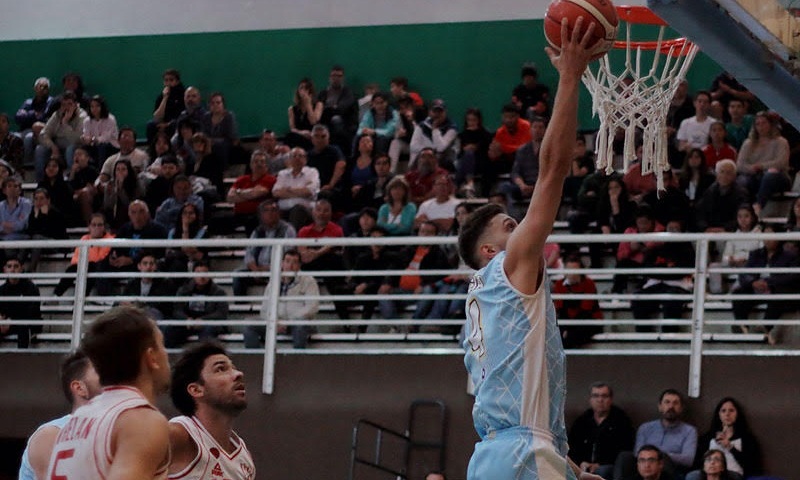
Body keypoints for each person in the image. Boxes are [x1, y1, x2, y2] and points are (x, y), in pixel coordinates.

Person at [457, 18, 604, 479]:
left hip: (499, 456)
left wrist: (569, 467)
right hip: (522, 454)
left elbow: (513, 399)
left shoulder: (481, 306)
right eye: (509, 226)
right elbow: (553, 170)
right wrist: (570, 75)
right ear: (488, 251)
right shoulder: (509, 265)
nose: (521, 230)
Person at [45, 306, 172, 479]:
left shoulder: (75, 421)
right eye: (162, 345)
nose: (166, 354)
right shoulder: (140, 419)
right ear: (152, 358)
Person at [168, 341, 255, 478]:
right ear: (196, 390)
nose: (238, 374)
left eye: (233, 368)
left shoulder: (244, 457)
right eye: (221, 369)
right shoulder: (179, 435)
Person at [18, 351, 102, 480]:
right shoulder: (52, 434)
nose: (113, 378)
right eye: (102, 372)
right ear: (79, 388)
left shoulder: (115, 429)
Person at [244, 249, 320, 349]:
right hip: (276, 322)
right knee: (249, 325)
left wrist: (289, 322)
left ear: (299, 266)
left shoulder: (308, 281)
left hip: (299, 323)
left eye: (295, 262)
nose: (290, 265)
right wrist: (274, 321)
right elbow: (265, 309)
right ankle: (255, 361)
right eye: (288, 261)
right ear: (282, 263)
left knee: (300, 326)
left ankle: (298, 361)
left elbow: (312, 307)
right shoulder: (273, 282)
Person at [567, 382, 635, 479]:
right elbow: (571, 447)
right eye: (596, 396)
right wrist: (581, 463)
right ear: (590, 399)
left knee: (602, 471)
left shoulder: (621, 421)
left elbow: (625, 449)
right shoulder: (582, 421)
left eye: (604, 396)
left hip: (609, 466)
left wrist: (599, 464)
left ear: (611, 399)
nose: (600, 400)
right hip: (582, 466)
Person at [232, 198, 297, 298]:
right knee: (238, 275)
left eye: (273, 210)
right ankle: (241, 307)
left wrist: (265, 269)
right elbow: (249, 255)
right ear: (261, 215)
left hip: (279, 271)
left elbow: (288, 257)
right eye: (266, 210)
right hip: (257, 270)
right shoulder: (257, 231)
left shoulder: (288, 230)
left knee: (285, 277)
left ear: (279, 213)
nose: (270, 213)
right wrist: (255, 270)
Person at [735, 111, 791, 217]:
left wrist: (761, 166)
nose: (761, 126)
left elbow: (781, 162)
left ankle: (759, 205)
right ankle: (744, 209)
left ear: (770, 124)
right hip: (754, 175)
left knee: (770, 175)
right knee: (742, 180)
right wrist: (751, 168)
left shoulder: (780, 141)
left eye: (764, 123)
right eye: (758, 124)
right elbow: (740, 165)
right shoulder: (748, 143)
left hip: (778, 177)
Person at [635, 389, 698, 477]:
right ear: (660, 406)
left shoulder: (689, 431)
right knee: (625, 458)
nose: (671, 406)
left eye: (675, 403)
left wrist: (662, 456)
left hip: (673, 472)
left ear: (681, 408)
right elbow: (637, 453)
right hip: (644, 469)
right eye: (667, 402)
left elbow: (688, 460)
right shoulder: (645, 428)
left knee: (663, 461)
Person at [693, 398, 761, 479]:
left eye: (731, 411)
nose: (727, 414)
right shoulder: (708, 437)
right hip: (710, 474)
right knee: (692, 476)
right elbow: (697, 462)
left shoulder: (747, 438)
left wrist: (730, 447)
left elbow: (752, 465)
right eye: (723, 411)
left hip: (733, 474)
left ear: (737, 414)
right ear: (719, 415)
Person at [167, 261, 230, 348]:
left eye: (205, 273)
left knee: (208, 331)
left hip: (209, 324)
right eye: (198, 273)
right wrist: (186, 320)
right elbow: (177, 310)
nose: (201, 276)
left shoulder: (218, 292)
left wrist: (203, 320)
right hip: (189, 324)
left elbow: (221, 313)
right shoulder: (184, 290)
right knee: (170, 330)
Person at [52, 213, 114, 299]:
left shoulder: (110, 240)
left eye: (100, 225)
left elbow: (99, 258)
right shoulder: (84, 239)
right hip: (84, 266)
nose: (96, 228)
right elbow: (75, 259)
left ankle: (81, 300)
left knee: (91, 268)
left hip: (99, 268)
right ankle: (56, 295)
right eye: (94, 225)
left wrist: (93, 242)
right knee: (72, 269)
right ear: (89, 226)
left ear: (104, 227)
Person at [34, 90, 87, 180]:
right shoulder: (57, 115)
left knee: (71, 149)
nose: (66, 107)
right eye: (63, 105)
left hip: (74, 146)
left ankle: (72, 179)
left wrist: (65, 123)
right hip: (57, 146)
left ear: (75, 105)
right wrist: (53, 147)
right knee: (40, 149)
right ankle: (41, 181)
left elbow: (77, 139)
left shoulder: (82, 116)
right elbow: (43, 134)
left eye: (69, 104)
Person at [553, 257, 604, 347]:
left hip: (588, 320)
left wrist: (569, 330)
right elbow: (560, 310)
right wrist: (565, 328)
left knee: (576, 334)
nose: (572, 274)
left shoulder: (588, 283)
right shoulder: (559, 284)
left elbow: (586, 311)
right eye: (569, 270)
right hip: (567, 321)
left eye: (574, 270)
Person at [225, 149, 277, 234]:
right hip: (239, 214)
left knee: (252, 222)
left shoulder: (270, 179)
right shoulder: (242, 179)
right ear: (251, 165)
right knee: (216, 220)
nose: (259, 164)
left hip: (258, 214)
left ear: (266, 166)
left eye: (262, 161)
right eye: (256, 161)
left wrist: (238, 192)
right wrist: (249, 193)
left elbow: (256, 193)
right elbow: (230, 197)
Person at [272, 147, 320, 231]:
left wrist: (287, 190)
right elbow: (276, 193)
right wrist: (300, 190)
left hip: (304, 210)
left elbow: (309, 192)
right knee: (267, 209)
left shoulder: (312, 172)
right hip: (282, 209)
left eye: (300, 156)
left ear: (305, 159)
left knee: (297, 209)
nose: (297, 158)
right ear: (289, 159)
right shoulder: (282, 173)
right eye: (294, 156)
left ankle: (292, 242)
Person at [119, 251, 176, 321]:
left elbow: (161, 308)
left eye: (151, 264)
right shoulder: (132, 283)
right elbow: (123, 300)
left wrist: (135, 306)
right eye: (145, 263)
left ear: (155, 267)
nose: (148, 267)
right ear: (139, 266)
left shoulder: (164, 283)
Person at [0, 256, 41, 348]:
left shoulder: (31, 287)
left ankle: (22, 359)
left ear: (21, 269)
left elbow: (32, 312)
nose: (12, 269)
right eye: (9, 266)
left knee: (23, 326)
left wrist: (11, 320)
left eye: (16, 266)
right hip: (8, 324)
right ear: (5, 269)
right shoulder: (2, 289)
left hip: (27, 323)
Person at [409, 98, 459, 170]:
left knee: (436, 156)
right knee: (422, 157)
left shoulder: (452, 128)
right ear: (430, 112)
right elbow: (413, 146)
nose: (437, 114)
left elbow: (440, 148)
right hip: (425, 157)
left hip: (446, 161)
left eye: (440, 111)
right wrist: (428, 151)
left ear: (445, 112)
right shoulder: (422, 125)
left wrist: (435, 129)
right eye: (435, 111)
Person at [162, 202, 209, 273]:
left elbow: (194, 253)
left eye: (191, 213)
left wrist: (185, 228)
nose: (187, 216)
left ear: (196, 215)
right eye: (185, 213)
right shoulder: (173, 232)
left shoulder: (202, 232)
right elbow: (168, 252)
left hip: (194, 264)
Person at [81, 95, 119, 164]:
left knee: (102, 146)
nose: (94, 109)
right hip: (94, 145)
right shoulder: (87, 121)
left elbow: (105, 138)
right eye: (92, 106)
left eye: (97, 106)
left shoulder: (110, 119)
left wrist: (92, 139)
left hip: (111, 146)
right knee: (82, 149)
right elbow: (86, 135)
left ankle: (101, 171)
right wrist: (85, 139)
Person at [285, 78, 322, 150]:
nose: (303, 91)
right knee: (290, 136)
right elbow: (292, 128)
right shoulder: (292, 109)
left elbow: (313, 121)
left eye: (306, 88)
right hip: (299, 135)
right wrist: (302, 133)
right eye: (301, 88)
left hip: (312, 136)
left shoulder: (318, 105)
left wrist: (308, 104)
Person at [0, 176, 33, 241]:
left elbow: (22, 225)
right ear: (4, 190)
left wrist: (4, 225)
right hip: (3, 238)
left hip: (21, 239)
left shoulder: (27, 204)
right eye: (9, 186)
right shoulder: (0, 206)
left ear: (20, 190)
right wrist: (3, 228)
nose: (12, 189)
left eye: (15, 186)